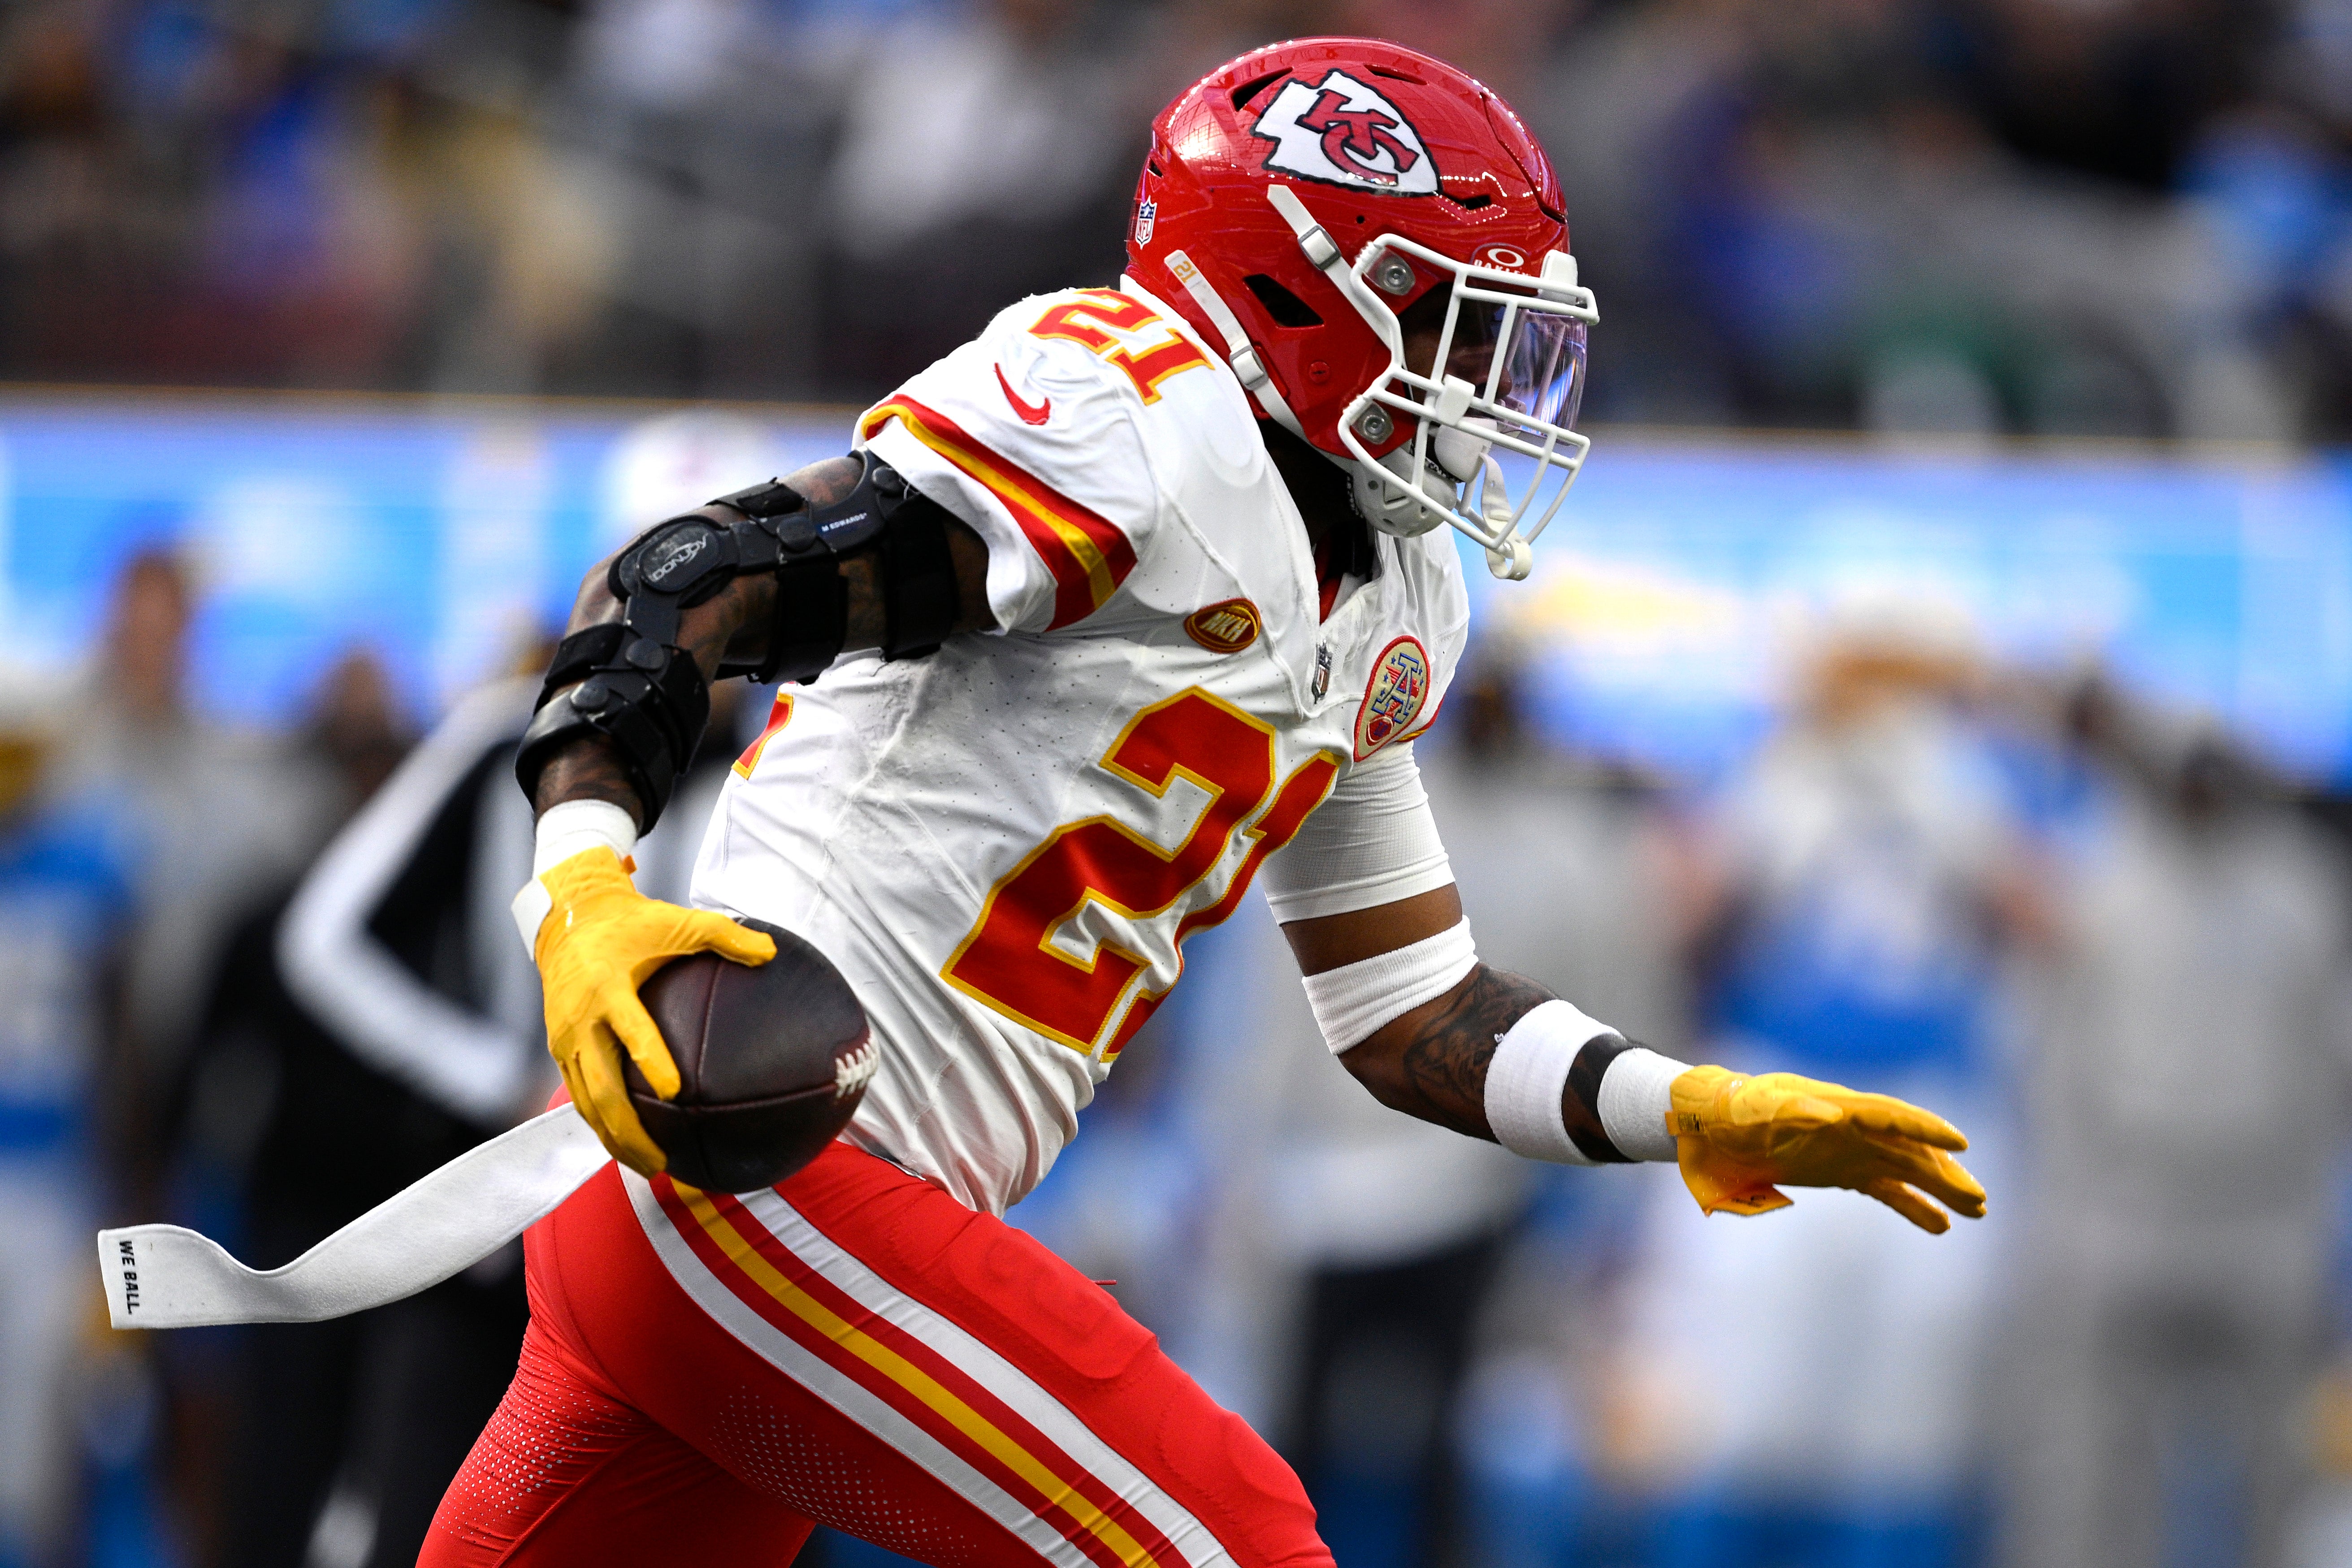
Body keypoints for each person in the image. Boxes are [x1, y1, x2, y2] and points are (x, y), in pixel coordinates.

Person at [431, 38, 1987, 1566]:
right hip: (759, 1159)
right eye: (1452, 321)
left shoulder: (1395, 589)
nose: (1492, 383)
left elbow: (1408, 1008)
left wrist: (1678, 1105)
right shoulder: (1133, 422)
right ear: (1296, 293)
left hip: (777, 1211)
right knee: (1234, 1541)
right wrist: (586, 890)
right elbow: (684, 583)